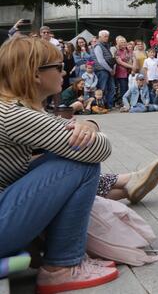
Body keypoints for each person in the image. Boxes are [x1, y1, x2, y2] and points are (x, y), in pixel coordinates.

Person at [0, 36, 119, 292]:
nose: (64, 71)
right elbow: (99, 149)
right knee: (80, 163)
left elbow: (64, 136)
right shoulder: (13, 114)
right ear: (34, 74)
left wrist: (88, 124)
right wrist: (86, 129)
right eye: (58, 66)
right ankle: (61, 267)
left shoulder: (10, 107)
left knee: (63, 156)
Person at [93, 30, 116, 108]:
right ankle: (101, 106)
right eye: (105, 36)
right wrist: (110, 69)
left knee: (111, 88)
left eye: (107, 36)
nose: (107, 38)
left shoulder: (105, 45)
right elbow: (101, 61)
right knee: (102, 89)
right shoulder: (98, 46)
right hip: (102, 70)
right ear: (99, 37)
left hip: (107, 70)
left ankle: (108, 105)